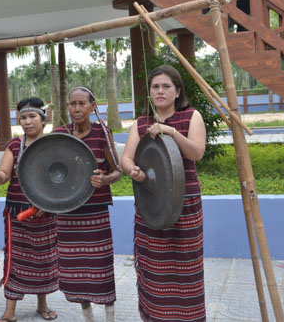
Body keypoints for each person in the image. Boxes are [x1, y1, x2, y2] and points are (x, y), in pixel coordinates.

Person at [121, 65, 207, 322]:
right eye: (155, 87)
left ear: (177, 91)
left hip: (185, 205)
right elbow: (126, 158)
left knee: (186, 268)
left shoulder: (192, 116)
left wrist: (170, 131)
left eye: (166, 86)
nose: (160, 91)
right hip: (152, 206)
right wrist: (132, 170)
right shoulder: (141, 123)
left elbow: (196, 153)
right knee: (154, 270)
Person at [52, 87, 121, 322]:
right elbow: (49, 170)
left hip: (95, 212)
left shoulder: (103, 132)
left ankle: (109, 317)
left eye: (82, 104)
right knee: (75, 270)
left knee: (100, 268)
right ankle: (88, 317)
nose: (77, 109)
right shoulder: (59, 134)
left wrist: (105, 180)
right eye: (72, 104)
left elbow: (118, 171)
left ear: (93, 107)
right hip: (67, 212)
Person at [0, 97, 59, 322]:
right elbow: (5, 174)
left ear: (42, 119)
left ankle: (42, 305)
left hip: (45, 211)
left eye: (32, 116)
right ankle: (10, 312)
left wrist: (44, 205)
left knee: (44, 259)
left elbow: (59, 180)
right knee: (15, 259)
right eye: (23, 117)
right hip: (17, 211)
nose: (27, 122)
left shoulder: (53, 145)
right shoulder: (14, 145)